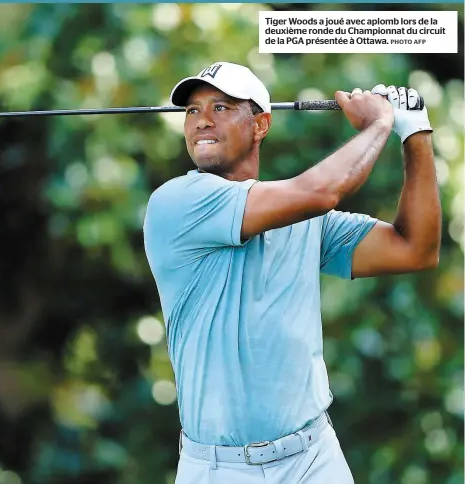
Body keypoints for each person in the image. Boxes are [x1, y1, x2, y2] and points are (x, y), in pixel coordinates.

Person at [142, 61, 441, 483]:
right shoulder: (176, 203)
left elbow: (415, 249)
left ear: (260, 124)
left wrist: (415, 134)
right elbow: (321, 190)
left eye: (222, 108)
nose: (202, 121)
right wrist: (379, 124)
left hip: (313, 458)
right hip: (220, 468)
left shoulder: (300, 218)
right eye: (192, 110)